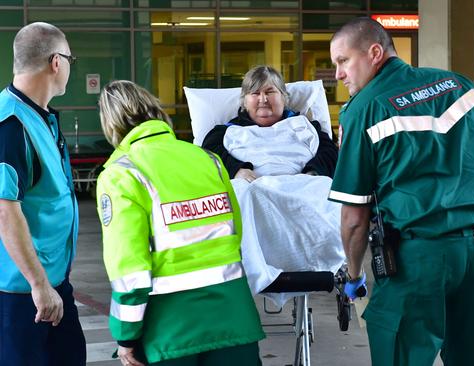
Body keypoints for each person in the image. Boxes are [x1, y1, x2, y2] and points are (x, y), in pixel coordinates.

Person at [328, 17, 474, 365]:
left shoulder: (365, 109)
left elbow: (354, 217)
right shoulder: (457, 84)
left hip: (417, 258)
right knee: (470, 354)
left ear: (373, 52)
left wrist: (353, 274)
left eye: (342, 61)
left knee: (400, 350)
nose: (338, 73)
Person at [96, 80, 265, 366]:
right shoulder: (208, 160)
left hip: (170, 333)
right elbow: (234, 236)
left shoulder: (121, 175)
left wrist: (126, 337)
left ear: (111, 125)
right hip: (234, 319)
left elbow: (129, 269)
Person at [0, 22, 86, 365]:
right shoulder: (11, 125)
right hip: (22, 293)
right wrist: (38, 284)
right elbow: (6, 210)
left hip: (51, 284)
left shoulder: (40, 117)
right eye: (70, 59)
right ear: (56, 62)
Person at [202, 65, 337, 181]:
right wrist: (236, 170)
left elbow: (330, 152)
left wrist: (313, 172)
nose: (263, 99)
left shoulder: (306, 126)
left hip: (303, 189)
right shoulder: (224, 132)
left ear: (284, 98)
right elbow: (208, 155)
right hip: (249, 190)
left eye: (270, 92)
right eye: (255, 93)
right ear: (245, 102)